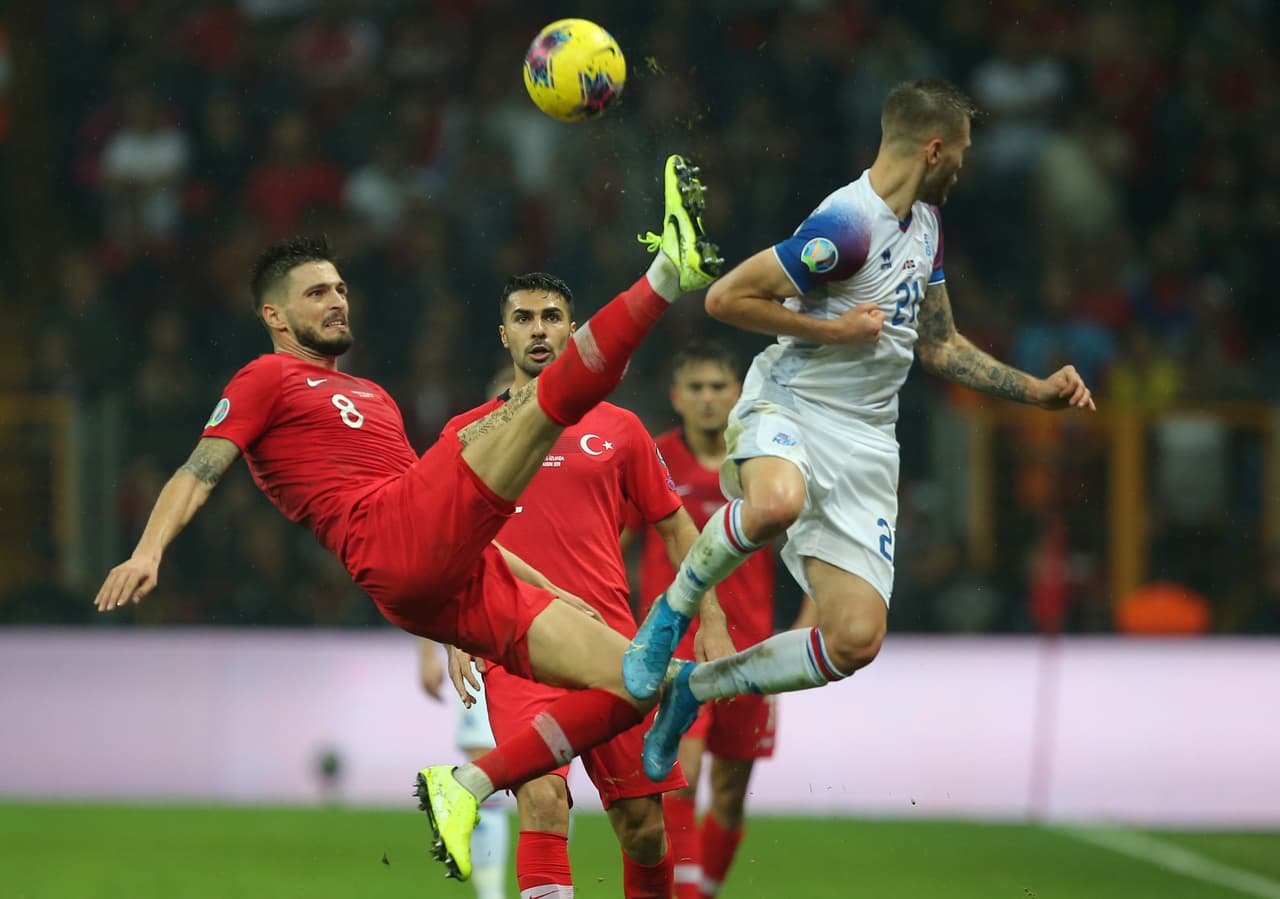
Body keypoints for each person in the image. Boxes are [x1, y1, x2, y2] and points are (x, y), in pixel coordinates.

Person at [92, 154, 723, 882]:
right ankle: (667, 275)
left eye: (340, 288)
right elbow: (197, 469)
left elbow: (460, 521)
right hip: (385, 535)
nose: (336, 301)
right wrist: (148, 551)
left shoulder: (376, 397)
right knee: (548, 404)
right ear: (275, 315)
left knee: (638, 680)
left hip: (452, 572)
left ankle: (466, 784)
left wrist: (535, 587)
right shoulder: (264, 377)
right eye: (316, 292)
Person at [624, 80, 1096, 779]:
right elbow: (728, 297)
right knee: (775, 502)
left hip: (868, 441)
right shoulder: (846, 225)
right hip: (791, 403)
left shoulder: (928, 228)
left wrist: (1036, 392)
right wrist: (835, 326)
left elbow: (937, 343)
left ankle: (695, 686)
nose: (964, 166)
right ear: (933, 148)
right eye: (960, 151)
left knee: (853, 639)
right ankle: (671, 613)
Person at [436, 271, 734, 899]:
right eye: (523, 318)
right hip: (514, 644)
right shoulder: (469, 432)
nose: (538, 329)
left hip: (611, 647)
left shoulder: (621, 430)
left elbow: (681, 532)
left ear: (572, 332)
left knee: (643, 829)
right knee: (542, 800)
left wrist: (713, 621)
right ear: (503, 334)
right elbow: (441, 539)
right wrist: (450, 627)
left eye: (550, 317)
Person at [623, 341, 814, 899]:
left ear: (738, 395)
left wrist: (801, 631)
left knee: (729, 796)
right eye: (697, 388)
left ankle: (699, 893)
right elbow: (615, 542)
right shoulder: (654, 459)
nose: (708, 398)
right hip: (675, 649)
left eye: (719, 387)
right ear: (676, 397)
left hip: (749, 650)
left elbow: (811, 550)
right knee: (682, 770)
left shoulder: (763, 468)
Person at [420, 639, 510, 899]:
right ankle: (491, 895)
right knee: (483, 766)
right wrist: (428, 652)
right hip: (478, 640)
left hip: (542, 631)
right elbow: (429, 596)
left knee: (551, 780)